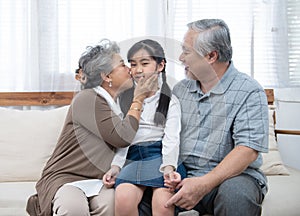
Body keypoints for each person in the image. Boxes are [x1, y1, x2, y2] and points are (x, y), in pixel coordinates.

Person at [26, 39, 158, 216]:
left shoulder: (120, 102)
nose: (129, 69)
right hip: (67, 177)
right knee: (73, 209)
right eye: (121, 65)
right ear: (106, 76)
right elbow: (122, 137)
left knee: (112, 205)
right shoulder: (87, 98)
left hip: (99, 180)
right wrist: (139, 99)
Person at [164, 19, 269, 216]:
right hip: (184, 174)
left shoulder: (249, 91)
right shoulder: (181, 90)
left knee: (235, 196)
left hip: (234, 177)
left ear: (211, 56)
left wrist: (204, 183)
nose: (180, 58)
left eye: (187, 51)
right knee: (143, 197)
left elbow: (247, 150)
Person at [102, 39, 185, 216]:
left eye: (145, 63)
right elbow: (124, 138)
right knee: (123, 198)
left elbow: (172, 139)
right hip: (133, 157)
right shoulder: (124, 100)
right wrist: (116, 166)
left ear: (160, 65)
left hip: (160, 156)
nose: (138, 70)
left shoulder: (170, 101)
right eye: (133, 64)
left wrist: (169, 167)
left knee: (163, 204)